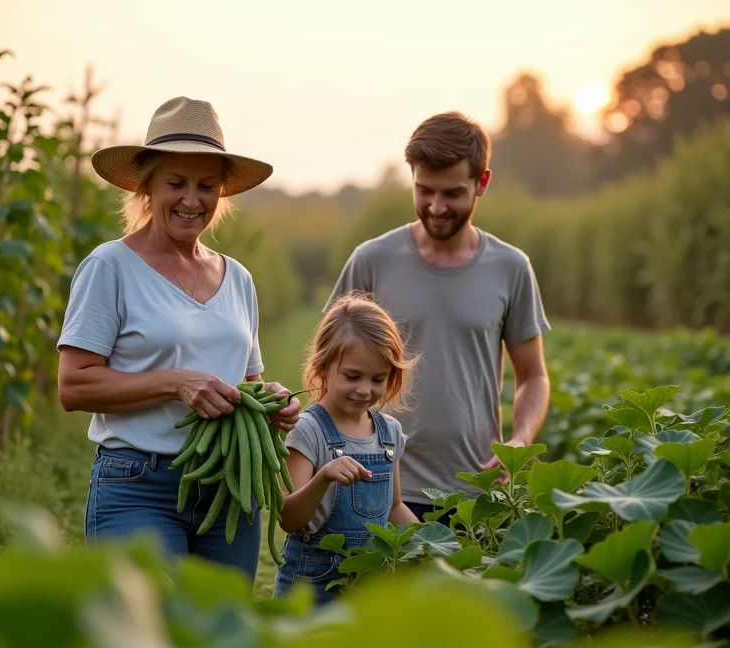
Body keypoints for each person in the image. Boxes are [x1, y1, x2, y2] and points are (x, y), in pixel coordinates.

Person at [57, 96, 300, 579]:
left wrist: (271, 400)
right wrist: (176, 383)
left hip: (229, 488)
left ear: (222, 193)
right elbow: (74, 386)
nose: (192, 200)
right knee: (150, 640)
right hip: (138, 485)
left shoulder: (238, 279)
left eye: (206, 186)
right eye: (177, 183)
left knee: (222, 639)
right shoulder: (111, 267)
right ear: (147, 186)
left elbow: (248, 380)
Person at [326, 112, 551, 523]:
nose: (436, 206)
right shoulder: (372, 260)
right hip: (376, 481)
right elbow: (327, 369)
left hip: (477, 488)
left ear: (482, 182)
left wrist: (520, 440)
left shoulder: (511, 267)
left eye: (452, 193)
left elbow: (533, 376)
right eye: (424, 190)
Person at [274, 294, 419, 604]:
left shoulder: (389, 433)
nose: (365, 389)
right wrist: (323, 477)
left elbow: (394, 508)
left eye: (378, 379)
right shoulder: (308, 430)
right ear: (323, 367)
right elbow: (288, 518)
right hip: (311, 581)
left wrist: (431, 544)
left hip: (370, 581)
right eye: (352, 376)